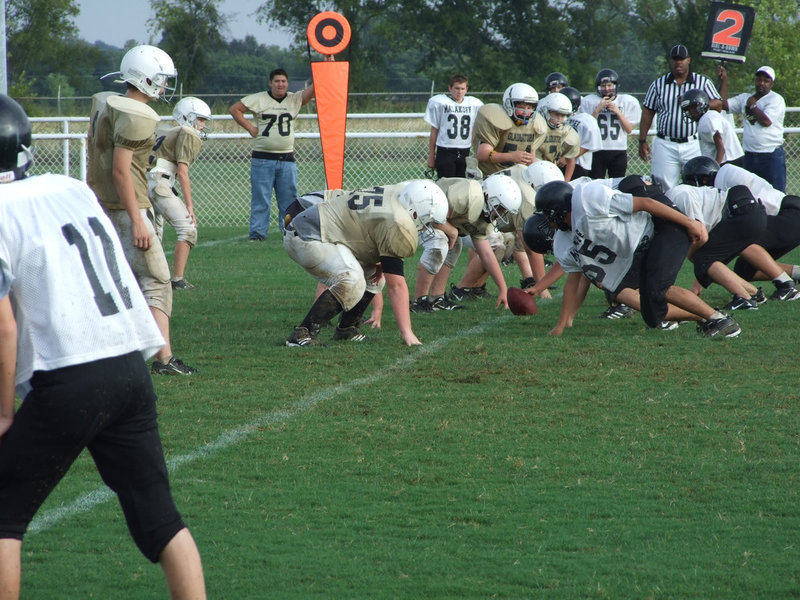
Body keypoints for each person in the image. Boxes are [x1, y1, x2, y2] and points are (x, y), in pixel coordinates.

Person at [0, 94, 206, 600]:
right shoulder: (68, 188)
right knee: (160, 519)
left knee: (2, 514)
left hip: (69, 375)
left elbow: (3, 329)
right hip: (129, 364)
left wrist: (4, 415)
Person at [87, 45, 197, 375]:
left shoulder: (108, 103)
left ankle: (116, 350)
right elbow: (121, 170)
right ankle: (163, 358)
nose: (164, 87)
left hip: (104, 204)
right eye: (159, 79)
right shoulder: (136, 113)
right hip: (126, 206)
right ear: (144, 77)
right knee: (158, 280)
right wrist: (137, 219)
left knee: (124, 280)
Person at [531, 178, 741, 338]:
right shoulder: (563, 241)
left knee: (657, 287)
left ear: (558, 211)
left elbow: (646, 202)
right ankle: (704, 316)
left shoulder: (587, 199)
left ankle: (720, 320)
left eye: (549, 215)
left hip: (662, 227)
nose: (548, 222)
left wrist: (689, 223)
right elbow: (575, 281)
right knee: (650, 314)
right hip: (639, 247)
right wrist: (563, 322)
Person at [283, 180, 448, 347]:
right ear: (414, 212)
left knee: (374, 278)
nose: (425, 228)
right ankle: (303, 332)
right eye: (426, 222)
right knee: (352, 279)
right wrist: (407, 333)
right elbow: (396, 286)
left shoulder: (399, 194)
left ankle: (347, 329)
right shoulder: (397, 220)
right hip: (308, 235)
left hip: (323, 232)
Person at [230, 61, 328, 241]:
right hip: (262, 159)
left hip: (286, 159)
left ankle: (288, 232)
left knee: (289, 201)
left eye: (283, 81)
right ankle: (258, 234)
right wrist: (250, 128)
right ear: (270, 83)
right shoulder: (258, 98)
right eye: (277, 81)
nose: (280, 84)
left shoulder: (293, 99)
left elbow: (314, 89)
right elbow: (235, 109)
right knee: (261, 199)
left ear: (287, 83)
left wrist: (325, 67)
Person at [666, 181, 797, 308]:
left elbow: (700, 236)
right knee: (718, 262)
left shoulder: (678, 195)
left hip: (744, 210)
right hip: (747, 210)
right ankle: (754, 293)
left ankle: (745, 297)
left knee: (705, 258)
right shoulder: (685, 195)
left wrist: (693, 262)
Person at [682, 156, 800, 296]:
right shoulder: (727, 173)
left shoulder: (724, 178)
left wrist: (698, 282)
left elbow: (727, 240)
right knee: (744, 271)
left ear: (704, 179)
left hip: (788, 215)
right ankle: (797, 273)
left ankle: (786, 286)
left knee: (741, 238)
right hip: (788, 216)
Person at [411, 173, 522, 312]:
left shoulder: (484, 217)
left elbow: (486, 254)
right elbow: (434, 216)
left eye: (504, 210)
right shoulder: (469, 195)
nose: (501, 213)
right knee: (438, 243)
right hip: (416, 208)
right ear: (488, 196)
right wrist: (453, 232)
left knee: (455, 245)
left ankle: (436, 299)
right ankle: (418, 302)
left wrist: (503, 288)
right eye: (500, 208)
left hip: (426, 215)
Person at [148, 96, 212, 290]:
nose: (202, 125)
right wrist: (190, 206)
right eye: (200, 120)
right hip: (160, 182)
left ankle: (152, 279)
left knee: (154, 236)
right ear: (188, 117)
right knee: (188, 228)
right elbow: (183, 172)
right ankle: (177, 279)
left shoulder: (164, 129)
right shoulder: (186, 132)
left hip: (144, 181)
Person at [638, 45, 722, 190]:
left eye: (682, 59)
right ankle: (664, 213)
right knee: (662, 187)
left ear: (688, 60)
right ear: (670, 61)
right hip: (666, 142)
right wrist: (642, 140)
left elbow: (719, 104)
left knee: (698, 184)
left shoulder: (701, 82)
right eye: (675, 59)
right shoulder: (659, 85)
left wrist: (695, 101)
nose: (678, 63)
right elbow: (647, 112)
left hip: (693, 142)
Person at [720, 65, 786, 191]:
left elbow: (766, 121)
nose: (761, 83)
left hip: (770, 155)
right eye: (759, 79)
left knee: (776, 193)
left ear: (772, 84)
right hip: (750, 155)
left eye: (766, 81)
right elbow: (723, 105)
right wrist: (724, 80)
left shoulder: (775, 99)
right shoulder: (744, 98)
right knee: (752, 193)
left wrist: (753, 106)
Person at [472, 82, 547, 176]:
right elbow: (482, 154)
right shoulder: (497, 118)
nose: (525, 111)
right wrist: (510, 156)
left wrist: (531, 161)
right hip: (490, 175)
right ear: (509, 104)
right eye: (521, 107)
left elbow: (531, 158)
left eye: (529, 108)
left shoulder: (535, 124)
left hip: (517, 175)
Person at [580, 68, 642, 179]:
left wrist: (618, 112)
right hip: (597, 149)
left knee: (618, 183)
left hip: (619, 149)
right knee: (595, 183)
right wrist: (598, 109)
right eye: (603, 86)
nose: (606, 89)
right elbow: (587, 126)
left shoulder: (626, 101)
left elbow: (629, 129)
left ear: (615, 86)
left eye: (609, 85)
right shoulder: (590, 101)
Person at [424, 74, 483, 178]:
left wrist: (476, 152)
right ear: (450, 88)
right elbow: (434, 130)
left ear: (466, 89)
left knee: (463, 187)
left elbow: (474, 131)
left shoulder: (474, 104)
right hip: (445, 150)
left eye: (462, 89)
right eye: (456, 88)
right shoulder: (440, 102)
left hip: (465, 151)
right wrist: (431, 156)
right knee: (446, 185)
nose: (459, 92)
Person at [679, 89, 744, 166]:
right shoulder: (707, 117)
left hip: (728, 161)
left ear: (701, 104)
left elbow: (721, 149)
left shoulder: (707, 119)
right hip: (730, 159)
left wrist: (715, 168)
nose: (691, 111)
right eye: (689, 109)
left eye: (693, 107)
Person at [535, 92, 580, 181]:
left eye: (563, 115)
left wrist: (565, 182)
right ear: (545, 111)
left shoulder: (566, 131)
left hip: (551, 171)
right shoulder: (536, 125)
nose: (559, 118)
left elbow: (570, 160)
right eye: (556, 114)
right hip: (532, 168)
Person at [562, 86, 603, 179]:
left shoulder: (586, 119)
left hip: (579, 164)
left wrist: (566, 158)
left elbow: (589, 144)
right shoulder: (558, 117)